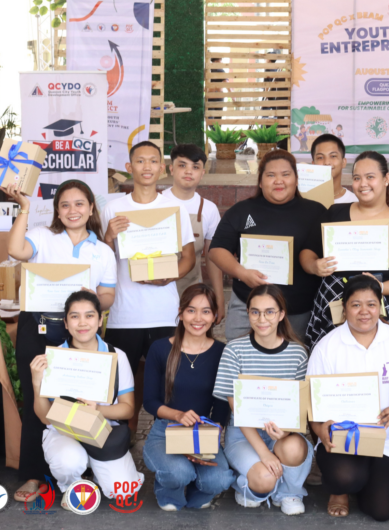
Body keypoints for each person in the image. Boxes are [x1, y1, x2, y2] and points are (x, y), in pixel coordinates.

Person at [0, 179, 117, 503]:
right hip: (35, 326)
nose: (72, 210)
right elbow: (15, 250)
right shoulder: (42, 236)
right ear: (57, 211)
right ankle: (33, 474)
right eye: (65, 205)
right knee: (36, 396)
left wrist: (96, 299)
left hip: (77, 330)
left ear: (91, 208)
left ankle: (72, 468)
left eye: (79, 204)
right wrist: (25, 208)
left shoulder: (103, 251)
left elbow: (108, 295)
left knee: (74, 398)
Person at [308, 276, 389, 520]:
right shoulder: (327, 347)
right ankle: (339, 490)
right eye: (356, 304)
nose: (364, 311)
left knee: (381, 510)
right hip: (341, 436)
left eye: (371, 304)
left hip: (384, 438)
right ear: (344, 308)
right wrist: (320, 431)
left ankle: (364, 480)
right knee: (345, 477)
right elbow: (311, 399)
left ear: (380, 307)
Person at [103, 141, 197, 434]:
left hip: (164, 312)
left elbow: (189, 257)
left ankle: (166, 441)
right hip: (123, 314)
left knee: (168, 384)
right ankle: (123, 438)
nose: (147, 167)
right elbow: (101, 258)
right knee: (119, 384)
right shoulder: (113, 208)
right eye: (140, 161)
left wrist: (168, 276)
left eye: (153, 161)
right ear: (129, 167)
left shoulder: (174, 208)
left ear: (162, 168)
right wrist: (108, 237)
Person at [301, 151, 389, 345]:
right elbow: (308, 251)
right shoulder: (334, 214)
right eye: (356, 178)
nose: (362, 184)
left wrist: (381, 287)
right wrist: (314, 266)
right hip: (335, 305)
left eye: (370, 177)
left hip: (387, 309)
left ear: (386, 179)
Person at [30, 291, 143, 507]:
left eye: (89, 316)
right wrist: (37, 383)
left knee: (122, 491)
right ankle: (72, 484)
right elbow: (45, 418)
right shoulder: (53, 358)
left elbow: (128, 409)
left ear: (100, 320)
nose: (82, 323)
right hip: (63, 431)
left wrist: (97, 409)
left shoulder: (116, 356)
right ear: (65, 323)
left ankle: (98, 473)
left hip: (103, 431)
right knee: (68, 461)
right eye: (74, 316)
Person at [213, 284, 312, 515]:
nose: (262, 319)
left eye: (269, 312)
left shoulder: (298, 353)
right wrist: (264, 453)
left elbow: (300, 407)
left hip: (281, 433)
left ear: (281, 314)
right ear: (248, 313)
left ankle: (289, 493)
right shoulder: (234, 350)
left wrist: (286, 432)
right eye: (255, 312)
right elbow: (238, 411)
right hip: (244, 435)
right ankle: (249, 483)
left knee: (294, 448)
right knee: (264, 480)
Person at [209, 149, 326, 341]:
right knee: (240, 355)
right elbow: (216, 250)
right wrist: (241, 273)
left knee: (293, 359)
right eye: (271, 175)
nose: (278, 181)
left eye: (285, 174)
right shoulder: (241, 210)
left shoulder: (316, 212)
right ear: (260, 182)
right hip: (248, 305)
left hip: (297, 310)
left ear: (296, 180)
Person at [142, 284, 234, 510]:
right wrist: (178, 415)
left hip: (203, 430)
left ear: (214, 316)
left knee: (219, 480)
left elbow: (222, 403)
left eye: (206, 311)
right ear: (181, 312)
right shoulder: (160, 349)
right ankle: (169, 490)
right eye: (191, 310)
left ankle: (197, 489)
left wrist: (210, 438)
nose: (198, 318)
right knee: (178, 473)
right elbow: (150, 401)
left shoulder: (222, 352)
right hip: (166, 429)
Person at [163, 145, 225, 316]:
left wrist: (219, 299)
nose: (188, 171)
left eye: (195, 167)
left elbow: (213, 258)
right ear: (171, 169)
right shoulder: (156, 203)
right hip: (157, 289)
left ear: (202, 173)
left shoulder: (209, 209)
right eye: (182, 165)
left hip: (192, 292)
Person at [311, 133, 358, 204]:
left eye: (333, 156)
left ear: (343, 162)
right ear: (313, 164)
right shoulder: (306, 201)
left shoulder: (356, 202)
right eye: (320, 157)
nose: (327, 162)